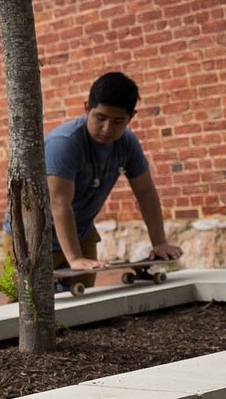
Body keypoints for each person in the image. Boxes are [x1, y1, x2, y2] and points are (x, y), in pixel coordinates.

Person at [44, 71, 181, 287]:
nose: (108, 129)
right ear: (87, 108)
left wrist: (160, 242)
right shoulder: (64, 143)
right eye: (100, 118)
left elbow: (145, 192)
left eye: (118, 121)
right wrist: (75, 259)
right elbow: (59, 202)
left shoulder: (126, 143)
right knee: (27, 309)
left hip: (80, 233)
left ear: (131, 117)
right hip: (33, 239)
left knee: (85, 305)